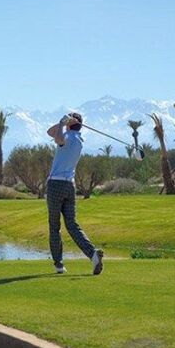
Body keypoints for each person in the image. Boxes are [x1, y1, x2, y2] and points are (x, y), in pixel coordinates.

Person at [46, 112, 103, 275]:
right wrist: (64, 122)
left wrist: (63, 122)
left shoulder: (68, 137)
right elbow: (51, 132)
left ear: (72, 124)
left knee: (54, 226)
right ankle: (93, 255)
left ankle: (59, 264)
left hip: (55, 185)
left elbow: (57, 138)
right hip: (70, 187)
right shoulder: (78, 140)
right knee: (72, 225)